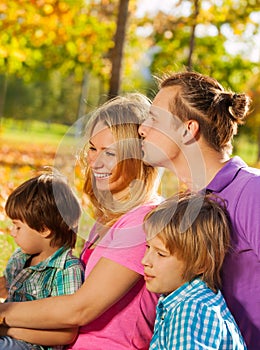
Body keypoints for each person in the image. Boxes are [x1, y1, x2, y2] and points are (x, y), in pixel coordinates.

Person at [0, 94, 160, 349]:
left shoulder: (141, 223)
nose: (95, 161)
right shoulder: (107, 220)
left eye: (110, 152)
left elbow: (80, 309)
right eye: (93, 149)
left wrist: (4, 313)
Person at [138, 71, 260, 349]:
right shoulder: (183, 207)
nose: (142, 128)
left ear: (188, 129)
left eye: (154, 119)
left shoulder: (252, 191)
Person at [142, 192, 247, 349]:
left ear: (200, 265)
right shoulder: (182, 302)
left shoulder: (191, 309)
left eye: (161, 254)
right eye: (148, 247)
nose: (145, 261)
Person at [0, 172, 85, 350]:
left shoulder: (67, 270)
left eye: (18, 226)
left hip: (32, 345)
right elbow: (7, 287)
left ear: (44, 229)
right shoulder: (20, 257)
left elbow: (65, 334)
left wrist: (7, 330)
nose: (12, 232)